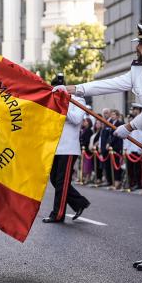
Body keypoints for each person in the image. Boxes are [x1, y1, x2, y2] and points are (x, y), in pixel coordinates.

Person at [56, 24, 142, 271]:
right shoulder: (139, 71)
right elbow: (108, 84)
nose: (137, 47)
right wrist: (73, 89)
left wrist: (129, 126)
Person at [43, 74, 91, 223]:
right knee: (55, 180)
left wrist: (63, 104)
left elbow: (76, 119)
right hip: (56, 147)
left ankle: (58, 214)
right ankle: (79, 202)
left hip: (69, 148)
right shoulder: (53, 101)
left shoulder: (77, 100)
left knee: (62, 183)